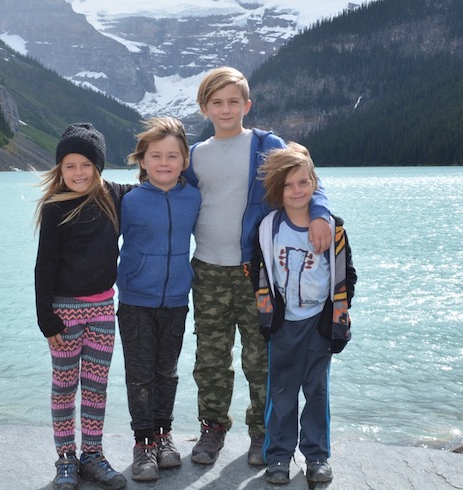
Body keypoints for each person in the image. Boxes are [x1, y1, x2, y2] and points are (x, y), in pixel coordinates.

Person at [181, 66, 333, 467]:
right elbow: (163, 187)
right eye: (217, 102)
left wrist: (319, 212)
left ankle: (261, 433)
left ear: (247, 105)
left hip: (258, 274)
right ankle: (212, 428)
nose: (226, 109)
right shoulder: (195, 155)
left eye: (233, 101)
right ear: (204, 108)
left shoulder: (267, 146)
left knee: (260, 356)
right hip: (208, 270)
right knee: (210, 356)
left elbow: (309, 179)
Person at [250, 142, 356, 485]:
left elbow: (346, 274)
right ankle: (278, 456)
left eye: (303, 182)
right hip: (283, 326)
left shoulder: (332, 228)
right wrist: (267, 315)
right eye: (287, 184)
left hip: (318, 325)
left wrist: (341, 313)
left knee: (316, 392)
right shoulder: (268, 228)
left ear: (315, 183)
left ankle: (317, 456)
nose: (296, 191)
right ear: (275, 189)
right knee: (280, 393)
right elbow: (259, 270)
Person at [34, 123, 129, 490]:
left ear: (99, 167)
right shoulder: (55, 209)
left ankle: (92, 454)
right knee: (64, 385)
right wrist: (47, 320)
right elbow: (44, 266)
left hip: (104, 309)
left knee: (95, 385)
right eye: (70, 165)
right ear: (60, 168)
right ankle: (65, 459)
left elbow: (153, 187)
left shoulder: (114, 197)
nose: (78, 173)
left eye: (86, 165)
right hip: (64, 312)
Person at [117, 117, 202, 482]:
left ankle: (164, 435)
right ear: (143, 161)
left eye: (172, 156)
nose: (164, 163)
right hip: (135, 300)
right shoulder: (129, 201)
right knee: (139, 374)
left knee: (166, 371)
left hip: (176, 300)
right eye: (156, 156)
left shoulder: (195, 198)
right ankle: (143, 443)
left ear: (185, 159)